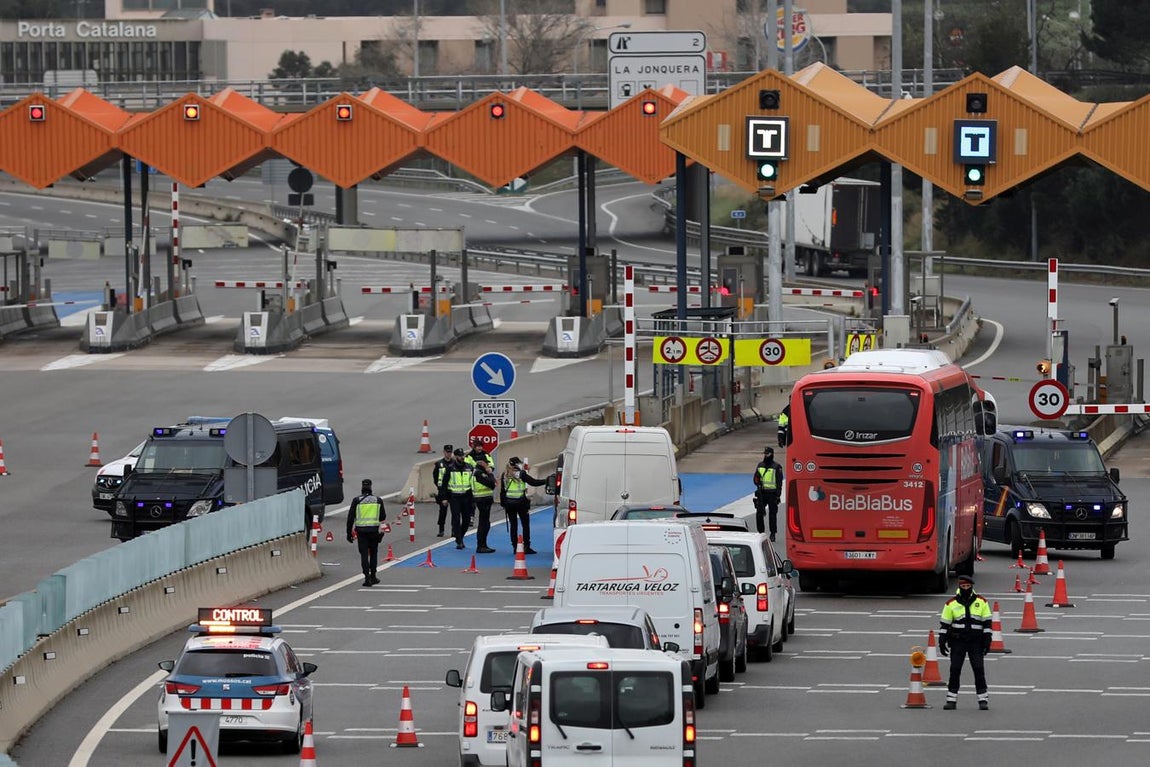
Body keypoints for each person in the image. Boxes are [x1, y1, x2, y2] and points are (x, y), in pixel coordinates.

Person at [938, 573, 993, 710]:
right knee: (955, 670)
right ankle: (951, 700)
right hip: (958, 641)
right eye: (963, 586)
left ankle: (983, 699)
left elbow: (987, 623)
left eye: (968, 586)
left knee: (978, 669)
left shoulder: (982, 602)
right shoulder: (951, 603)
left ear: (972, 586)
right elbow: (945, 624)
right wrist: (942, 641)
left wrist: (987, 640)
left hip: (976, 641)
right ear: (959, 586)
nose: (966, 588)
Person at [500, 456, 547, 555]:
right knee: (525, 525)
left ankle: (515, 547)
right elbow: (533, 482)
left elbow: (502, 491)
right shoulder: (521, 474)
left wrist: (503, 503)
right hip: (521, 503)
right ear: (517, 464)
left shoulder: (505, 474)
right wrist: (546, 481)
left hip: (509, 503)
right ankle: (526, 546)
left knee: (513, 525)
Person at [346, 479, 387, 587]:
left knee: (364, 554)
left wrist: (348, 533)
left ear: (362, 488)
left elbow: (350, 518)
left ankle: (366, 578)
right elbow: (382, 516)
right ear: (371, 487)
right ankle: (373, 576)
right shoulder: (378, 500)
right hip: (373, 531)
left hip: (361, 532)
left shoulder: (357, 500)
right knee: (373, 553)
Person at [439, 448, 474, 550]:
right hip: (454, 497)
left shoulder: (469, 467)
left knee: (467, 520)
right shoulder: (450, 468)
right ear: (455, 456)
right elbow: (444, 485)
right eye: (459, 456)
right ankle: (459, 540)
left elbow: (473, 482)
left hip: (466, 497)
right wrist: (444, 498)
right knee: (456, 519)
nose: (462, 457)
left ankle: (460, 536)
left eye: (463, 455)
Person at [753, 447, 784, 541]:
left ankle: (773, 533)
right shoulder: (760, 465)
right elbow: (755, 478)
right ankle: (761, 532)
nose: (766, 455)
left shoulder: (777, 466)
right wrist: (757, 481)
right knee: (759, 513)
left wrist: (778, 495)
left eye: (767, 454)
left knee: (772, 514)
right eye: (765, 454)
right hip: (762, 493)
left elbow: (779, 482)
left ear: (772, 454)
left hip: (772, 493)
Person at [470, 458, 497, 553]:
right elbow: (492, 484)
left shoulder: (478, 472)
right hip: (482, 499)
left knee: (485, 523)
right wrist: (490, 473)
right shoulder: (479, 473)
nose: (488, 466)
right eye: (486, 464)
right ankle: (481, 546)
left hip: (483, 499)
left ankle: (483, 545)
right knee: (484, 524)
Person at [432, 444, 453, 537]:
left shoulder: (454, 463)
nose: (449, 454)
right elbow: (435, 478)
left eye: (450, 452)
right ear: (444, 452)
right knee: (442, 511)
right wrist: (440, 488)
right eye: (447, 452)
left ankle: (454, 530)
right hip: (442, 490)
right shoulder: (439, 464)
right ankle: (441, 529)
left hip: (453, 490)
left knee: (455, 512)